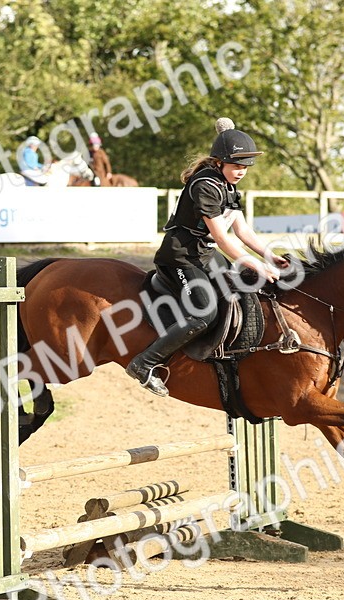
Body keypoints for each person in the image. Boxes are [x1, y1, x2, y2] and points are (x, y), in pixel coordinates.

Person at [125, 118, 287, 397]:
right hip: (180, 258)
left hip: (206, 256)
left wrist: (268, 255)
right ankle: (144, 363)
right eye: (236, 166)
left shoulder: (229, 187)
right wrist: (253, 263)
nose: (241, 172)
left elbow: (242, 229)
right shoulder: (205, 186)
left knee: (243, 288)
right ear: (220, 162)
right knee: (204, 313)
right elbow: (223, 238)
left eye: (245, 167)